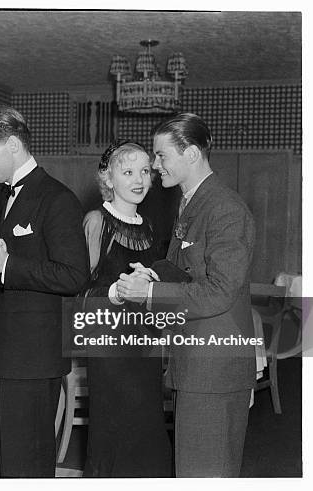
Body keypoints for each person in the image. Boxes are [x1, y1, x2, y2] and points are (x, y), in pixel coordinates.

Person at [117, 113, 256, 477]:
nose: (155, 164)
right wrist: (154, 273)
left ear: (192, 154)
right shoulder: (191, 203)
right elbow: (189, 272)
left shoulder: (223, 207)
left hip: (213, 370)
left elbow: (221, 290)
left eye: (162, 156)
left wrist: (150, 293)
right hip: (194, 365)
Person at [0, 105, 89, 476]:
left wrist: (6, 265)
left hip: (32, 360)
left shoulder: (57, 198)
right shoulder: (6, 196)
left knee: (25, 466)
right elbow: (0, 273)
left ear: (14, 146)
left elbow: (74, 275)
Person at [81, 141, 172, 477]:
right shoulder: (96, 221)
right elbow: (80, 293)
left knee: (147, 429)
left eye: (145, 171)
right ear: (109, 177)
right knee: (114, 433)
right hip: (109, 348)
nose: (139, 179)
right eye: (128, 171)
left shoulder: (149, 226)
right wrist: (117, 293)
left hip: (145, 344)